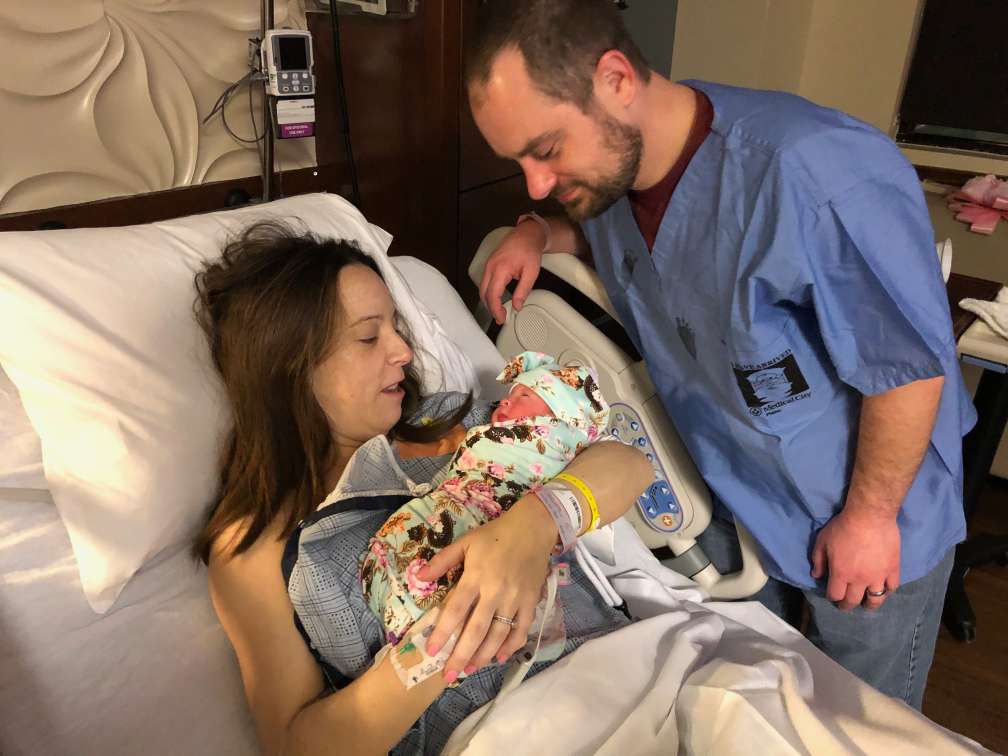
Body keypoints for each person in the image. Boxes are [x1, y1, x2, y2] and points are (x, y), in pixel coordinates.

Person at [466, 0, 976, 710]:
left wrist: (868, 518)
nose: (537, 181)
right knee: (774, 707)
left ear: (616, 78)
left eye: (545, 150)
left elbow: (910, 370)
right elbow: (626, 249)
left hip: (874, 515)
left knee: (867, 722)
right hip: (749, 501)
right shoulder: (615, 181)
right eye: (517, 161)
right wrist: (535, 231)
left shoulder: (812, 175)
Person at [193, 220, 653, 754]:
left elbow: (626, 464)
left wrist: (533, 526)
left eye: (396, 328)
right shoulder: (253, 548)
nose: (404, 352)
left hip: (621, 671)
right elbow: (295, 744)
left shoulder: (447, 428)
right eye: (369, 336)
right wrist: (447, 638)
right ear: (289, 368)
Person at [362, 350, 609, 669]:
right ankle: (422, 635)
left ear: (561, 418)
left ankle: (438, 636)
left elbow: (622, 464)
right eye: (512, 393)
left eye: (523, 395)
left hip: (502, 514)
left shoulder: (562, 443)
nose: (505, 401)